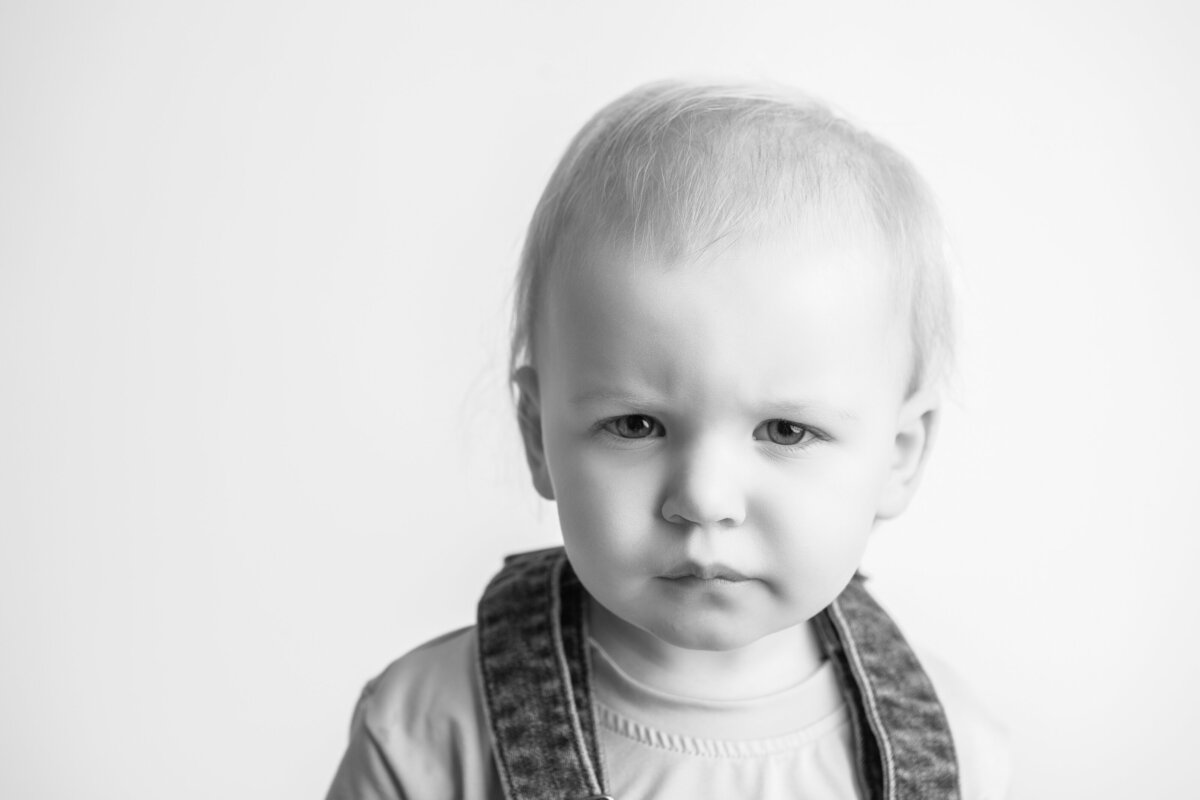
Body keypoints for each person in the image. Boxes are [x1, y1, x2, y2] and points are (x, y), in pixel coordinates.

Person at [326, 80, 1009, 799]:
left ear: (898, 456)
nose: (704, 500)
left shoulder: (961, 752)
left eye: (785, 430)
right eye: (635, 425)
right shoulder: (429, 735)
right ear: (538, 436)